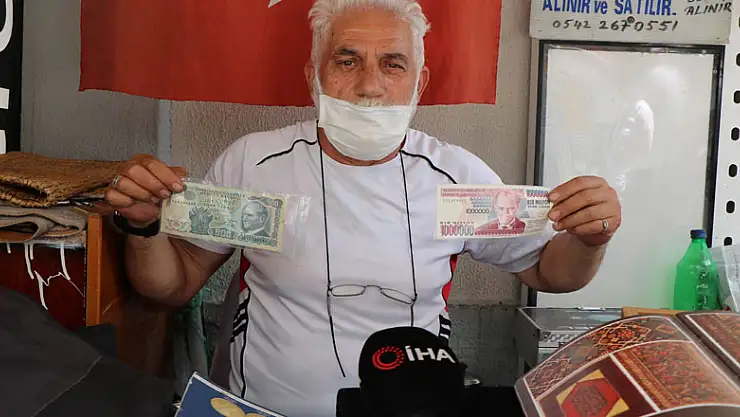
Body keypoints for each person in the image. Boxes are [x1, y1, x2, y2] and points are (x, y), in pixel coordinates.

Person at [104, 0, 622, 415]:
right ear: (314, 76)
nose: (370, 86)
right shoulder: (255, 164)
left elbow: (549, 272)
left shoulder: (456, 177)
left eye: (393, 64)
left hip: (407, 408)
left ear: (419, 82)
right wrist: (142, 228)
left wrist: (589, 237)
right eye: (347, 61)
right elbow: (172, 285)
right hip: (263, 410)